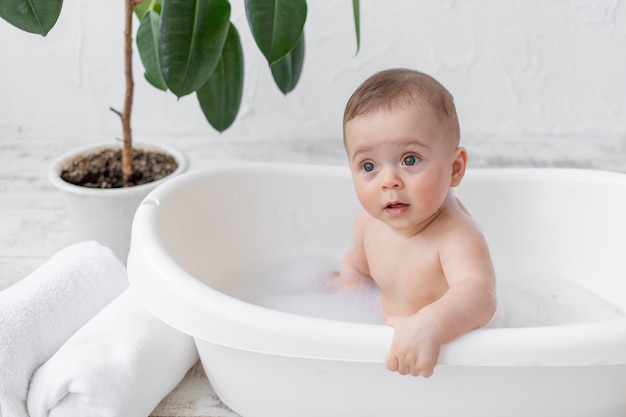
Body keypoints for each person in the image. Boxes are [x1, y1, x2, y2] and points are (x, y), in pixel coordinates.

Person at [338, 68, 498, 378]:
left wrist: (433, 324)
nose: (389, 181)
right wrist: (346, 299)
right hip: (387, 355)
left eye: (409, 159)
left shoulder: (456, 237)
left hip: (445, 365)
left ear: (455, 168)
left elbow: (480, 295)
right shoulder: (369, 224)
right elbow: (357, 265)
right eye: (368, 165)